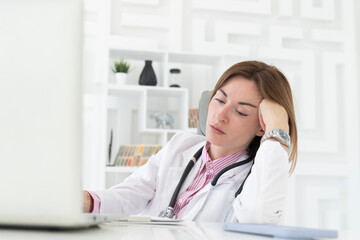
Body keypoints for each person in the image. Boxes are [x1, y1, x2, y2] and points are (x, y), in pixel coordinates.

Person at [83, 60, 298, 223]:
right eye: (219, 100)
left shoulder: (258, 176)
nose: (219, 115)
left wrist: (278, 131)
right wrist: (87, 201)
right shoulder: (181, 146)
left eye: (240, 112)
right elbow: (131, 194)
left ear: (263, 125)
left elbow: (259, 219)